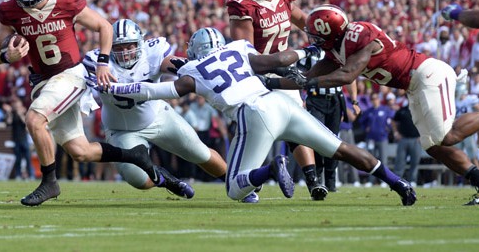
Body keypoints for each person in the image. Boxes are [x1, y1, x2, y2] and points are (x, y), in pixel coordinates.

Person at [91, 27, 416, 206]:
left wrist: (121, 88)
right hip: (281, 103)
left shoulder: (191, 70)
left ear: (194, 51)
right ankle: (398, 183)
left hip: (254, 114)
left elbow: (157, 92)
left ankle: (273, 169)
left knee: (235, 188)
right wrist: (308, 51)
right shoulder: (240, 49)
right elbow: (277, 58)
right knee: (340, 148)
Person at [0, 0, 178, 206]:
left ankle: (49, 183)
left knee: (34, 119)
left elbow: (104, 26)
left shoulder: (67, 0)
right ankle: (135, 156)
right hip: (42, 82)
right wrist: (6, 56)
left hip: (70, 75)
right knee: (80, 151)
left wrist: (102, 63)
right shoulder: (11, 10)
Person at [271, 4, 479, 205]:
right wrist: (270, 82)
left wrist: (308, 82)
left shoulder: (359, 35)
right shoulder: (337, 48)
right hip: (413, 86)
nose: (313, 39)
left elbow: (346, 75)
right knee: (432, 146)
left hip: (428, 74)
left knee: (447, 136)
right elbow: (307, 76)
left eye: (317, 35)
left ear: (332, 31)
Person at [82, 19, 226, 199]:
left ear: (140, 44)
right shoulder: (97, 62)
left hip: (159, 117)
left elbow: (176, 67)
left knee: (199, 152)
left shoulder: (151, 53)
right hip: (121, 131)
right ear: (109, 47)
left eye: (130, 46)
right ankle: (165, 178)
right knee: (139, 180)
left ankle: (235, 182)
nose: (125, 52)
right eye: (119, 47)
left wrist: (199, 66)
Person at [227, 0, 325, 200]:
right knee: (256, 126)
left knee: (298, 123)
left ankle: (313, 180)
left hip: (284, 68)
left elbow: (301, 18)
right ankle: (252, 178)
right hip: (255, 73)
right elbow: (247, 52)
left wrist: (322, 34)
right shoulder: (242, 5)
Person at [297, 50, 360, 192]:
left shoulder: (341, 51)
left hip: (335, 101)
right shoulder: (309, 54)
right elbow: (298, 77)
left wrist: (354, 100)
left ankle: (331, 182)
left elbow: (350, 77)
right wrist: (300, 98)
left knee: (333, 140)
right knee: (318, 138)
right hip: (315, 99)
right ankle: (317, 179)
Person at [358, 92, 395, 187]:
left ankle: (384, 181)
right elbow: (361, 122)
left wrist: (388, 128)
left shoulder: (385, 109)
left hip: (382, 138)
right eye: (373, 99)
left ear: (379, 99)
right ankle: (371, 180)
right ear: (371, 101)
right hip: (371, 139)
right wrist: (365, 128)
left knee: (383, 160)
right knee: (370, 160)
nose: (375, 100)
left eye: (376, 98)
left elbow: (392, 120)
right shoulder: (369, 111)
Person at [392, 95, 422, 188]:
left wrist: (422, 135)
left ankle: (413, 180)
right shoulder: (402, 110)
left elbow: (425, 123)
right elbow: (393, 121)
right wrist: (396, 133)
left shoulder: (419, 110)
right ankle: (397, 181)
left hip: (416, 139)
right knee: (400, 161)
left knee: (415, 162)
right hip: (403, 139)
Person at [6, 98, 35, 180]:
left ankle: (31, 175)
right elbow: (8, 123)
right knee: (18, 159)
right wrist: (9, 113)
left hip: (24, 140)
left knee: (28, 159)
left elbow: (26, 126)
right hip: (16, 140)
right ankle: (18, 175)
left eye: (18, 105)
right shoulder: (12, 114)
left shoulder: (25, 113)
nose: (16, 107)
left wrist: (20, 115)